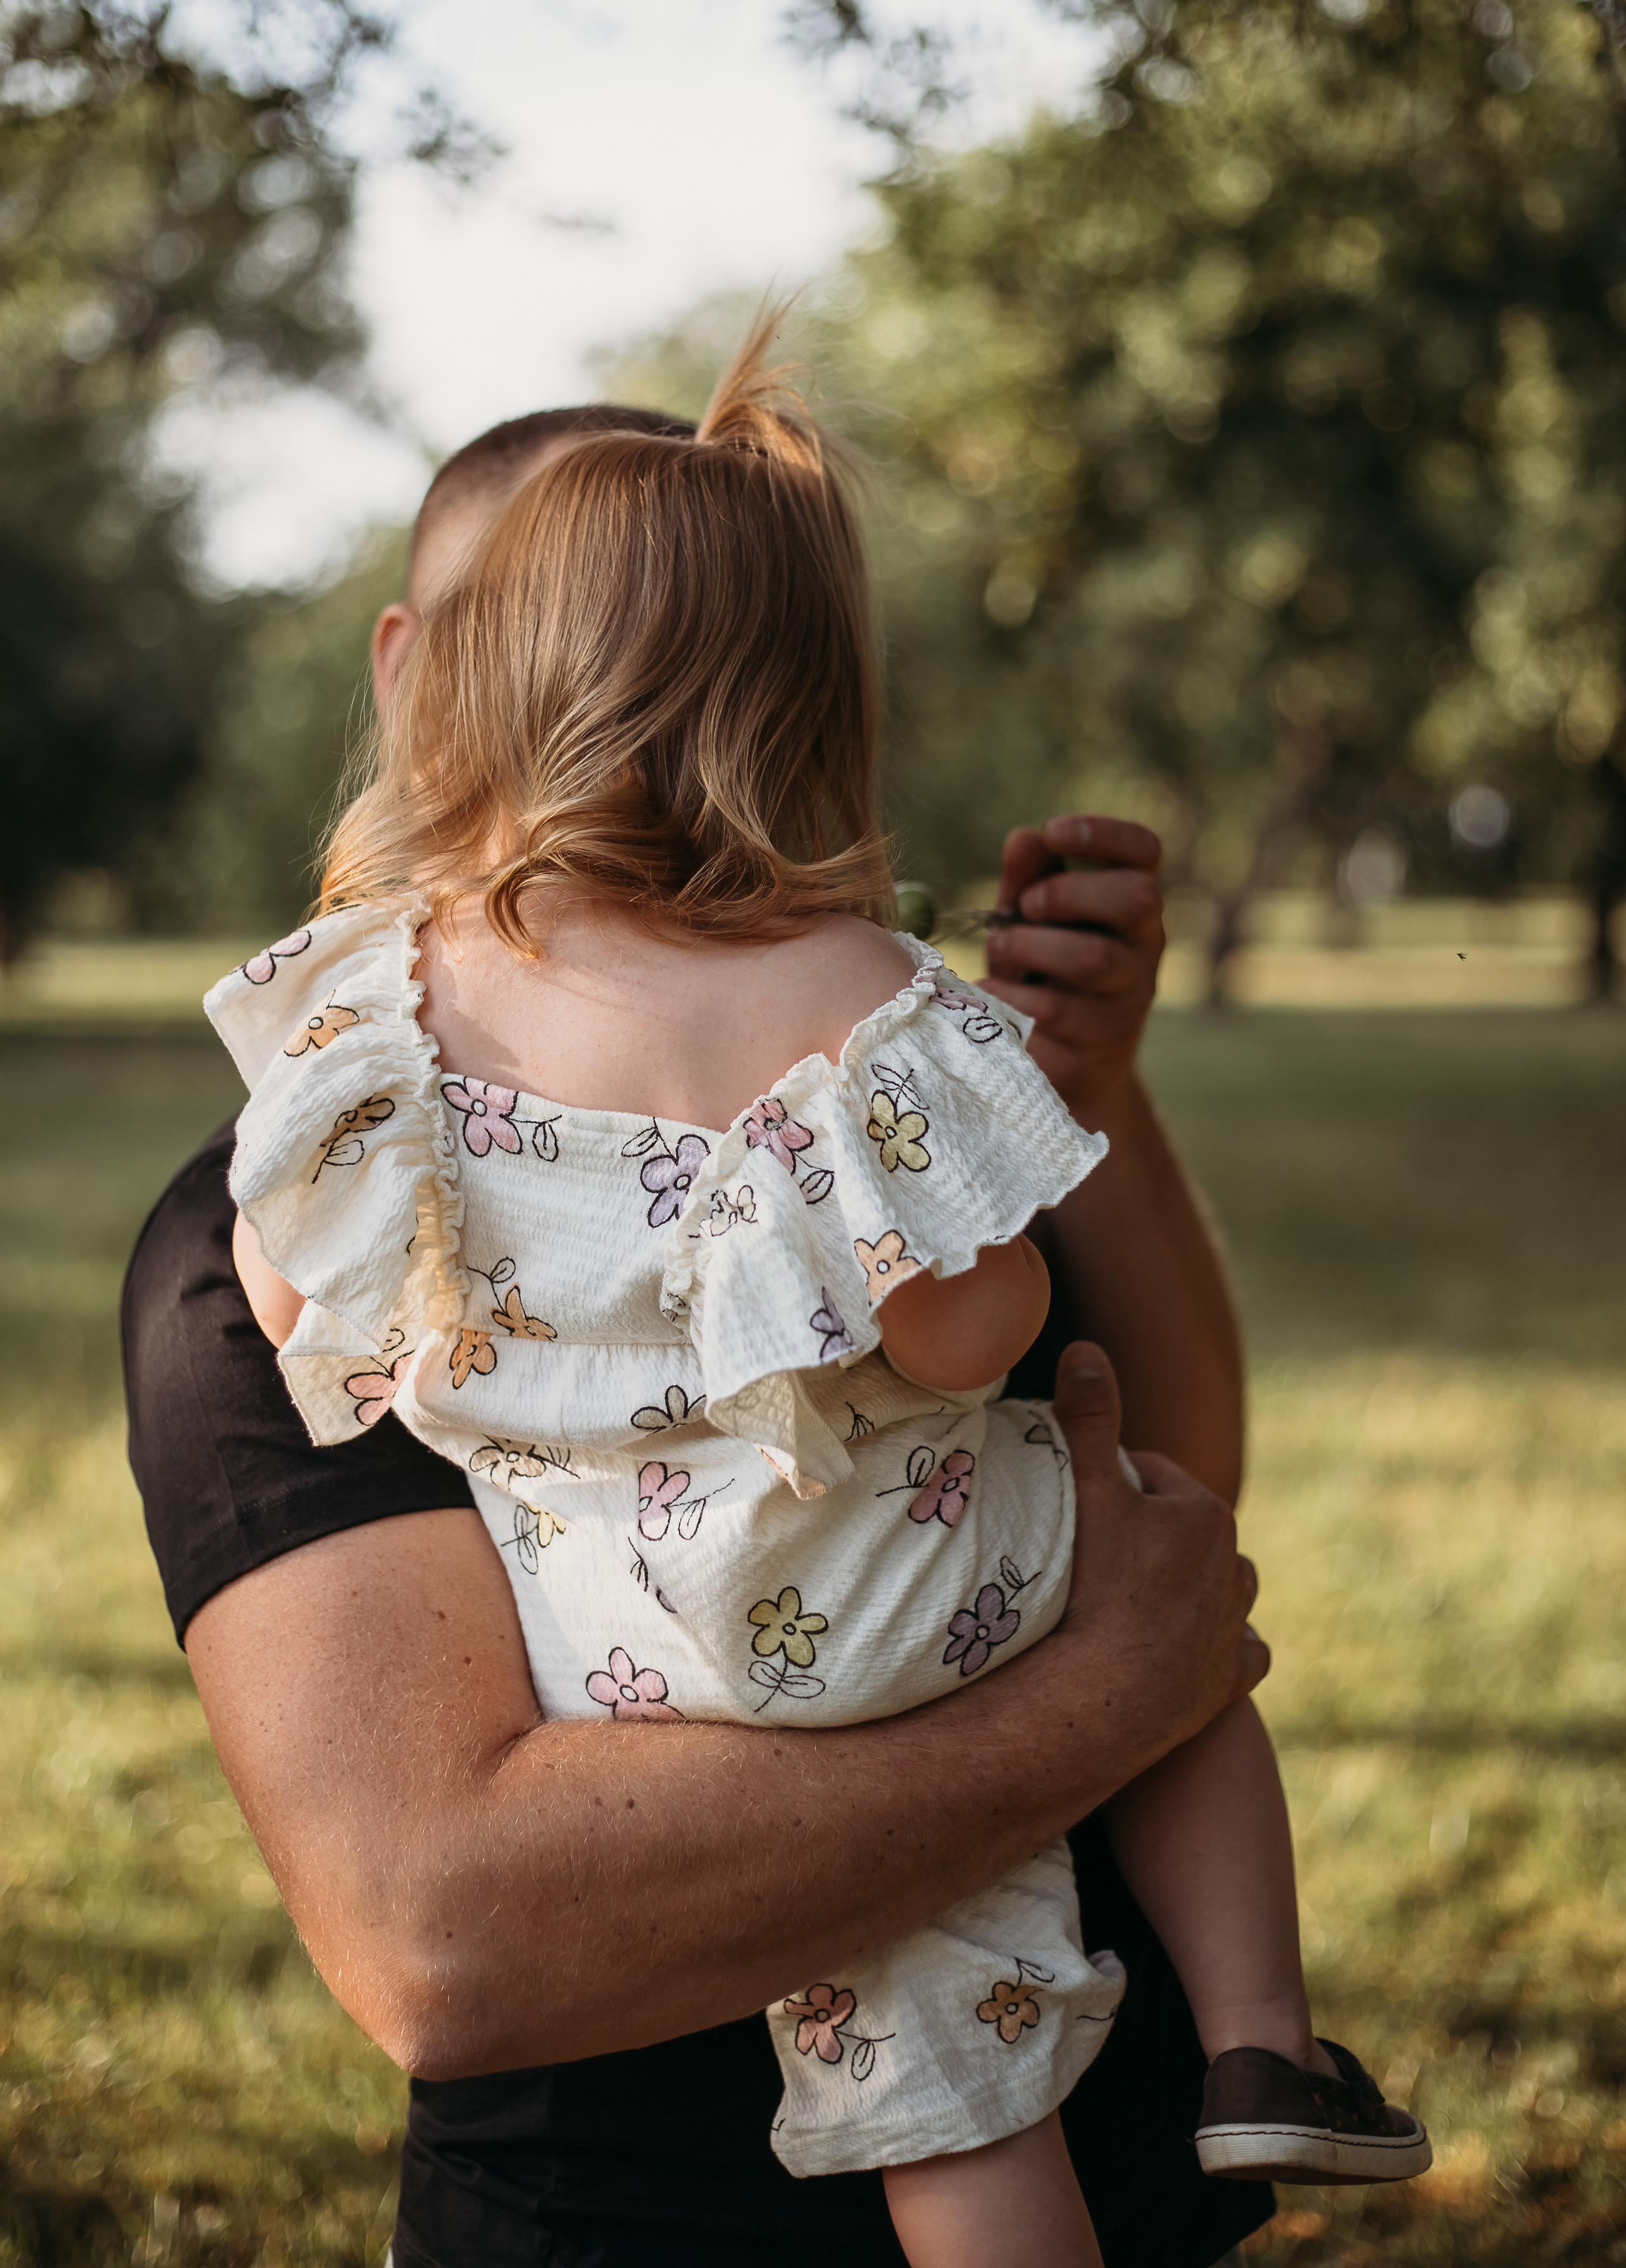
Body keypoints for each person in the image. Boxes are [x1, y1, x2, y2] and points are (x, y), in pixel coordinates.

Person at [194, 321, 1422, 2262]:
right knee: (1148, 1616)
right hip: (890, 1626)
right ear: (803, 699)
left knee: (939, 2010)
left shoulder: (367, 1041)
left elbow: (295, 1297)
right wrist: (977, 1291)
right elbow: (980, 1343)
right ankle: (1264, 2043)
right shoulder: (865, 1011)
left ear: (466, 688)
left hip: (628, 1673)